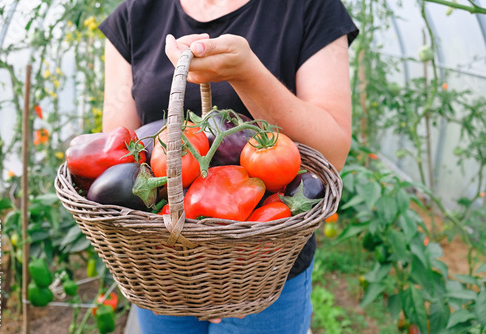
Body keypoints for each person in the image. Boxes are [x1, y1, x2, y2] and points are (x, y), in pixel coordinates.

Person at [99, 0, 358, 333]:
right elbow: (119, 156)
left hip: (266, 269)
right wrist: (190, 273)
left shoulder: (311, 7)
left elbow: (331, 155)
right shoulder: (134, 14)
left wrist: (247, 74)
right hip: (164, 269)